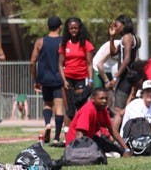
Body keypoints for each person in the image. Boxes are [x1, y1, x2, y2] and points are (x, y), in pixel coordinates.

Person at [65, 88, 132, 157]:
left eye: (106, 98)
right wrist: (79, 152)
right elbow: (79, 134)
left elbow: (112, 130)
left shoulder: (103, 108)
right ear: (92, 99)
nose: (104, 101)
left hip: (90, 139)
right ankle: (102, 154)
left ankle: (105, 153)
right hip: (75, 143)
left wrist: (126, 149)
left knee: (119, 150)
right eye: (101, 98)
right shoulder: (88, 110)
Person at [30, 15, 64, 146]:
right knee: (59, 107)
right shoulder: (63, 41)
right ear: (60, 27)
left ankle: (48, 124)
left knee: (47, 104)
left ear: (48, 27)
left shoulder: (40, 42)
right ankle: (56, 137)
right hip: (59, 78)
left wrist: (36, 79)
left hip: (45, 78)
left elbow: (32, 62)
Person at [106, 15, 141, 132]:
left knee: (118, 110)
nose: (115, 27)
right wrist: (111, 37)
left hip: (126, 77)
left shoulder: (127, 38)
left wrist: (116, 77)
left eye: (117, 25)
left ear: (124, 25)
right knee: (124, 108)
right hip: (131, 76)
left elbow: (126, 59)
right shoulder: (133, 38)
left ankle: (114, 138)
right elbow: (113, 53)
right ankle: (121, 135)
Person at [58, 17, 95, 122]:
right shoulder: (64, 44)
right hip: (68, 79)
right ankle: (68, 136)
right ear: (68, 30)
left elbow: (89, 64)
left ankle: (81, 135)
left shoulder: (86, 44)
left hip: (81, 78)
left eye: (75, 28)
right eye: (71, 28)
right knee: (69, 110)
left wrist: (91, 80)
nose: (73, 30)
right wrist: (64, 80)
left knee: (80, 107)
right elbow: (60, 64)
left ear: (79, 29)